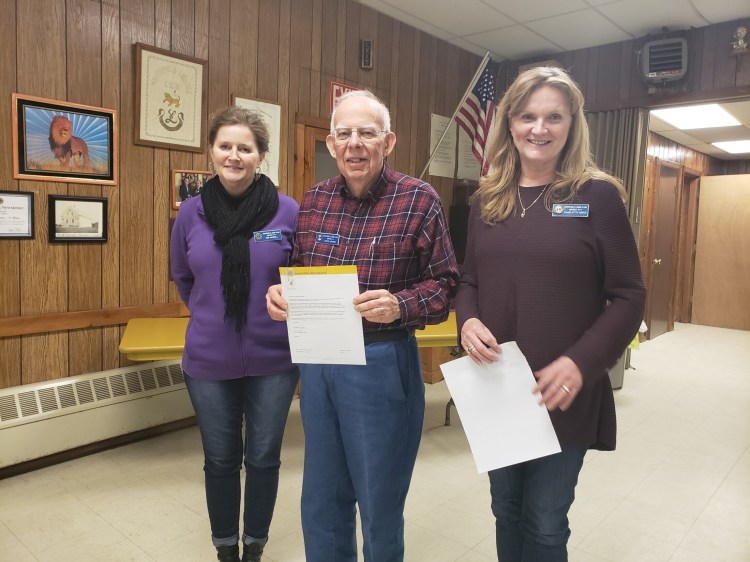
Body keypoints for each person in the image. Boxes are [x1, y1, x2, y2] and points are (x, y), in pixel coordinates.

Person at [455, 66, 646, 561]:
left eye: (553, 117)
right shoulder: (485, 201)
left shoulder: (598, 197)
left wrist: (583, 362)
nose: (539, 129)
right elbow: (468, 279)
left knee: (544, 524)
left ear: (572, 124)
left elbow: (629, 295)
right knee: (506, 509)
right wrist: (468, 320)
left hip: (559, 393)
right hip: (496, 384)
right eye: (528, 116)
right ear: (510, 124)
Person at [266, 89, 459, 561]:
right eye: (344, 133)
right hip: (321, 363)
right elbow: (299, 272)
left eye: (367, 133)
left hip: (381, 362)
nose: (355, 143)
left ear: (387, 141)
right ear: (331, 144)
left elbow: (447, 284)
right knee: (322, 499)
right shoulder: (313, 202)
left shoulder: (418, 199)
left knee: (378, 502)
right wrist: (281, 295)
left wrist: (400, 304)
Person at [170, 106, 300, 562]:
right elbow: (184, 278)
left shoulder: (288, 211)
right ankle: (226, 547)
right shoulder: (190, 213)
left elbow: (300, 279)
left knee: (263, 459)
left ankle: (255, 546)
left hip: (275, 361)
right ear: (211, 151)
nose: (234, 155)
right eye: (225, 145)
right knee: (221, 460)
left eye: (245, 147)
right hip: (208, 361)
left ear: (260, 155)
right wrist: (212, 316)